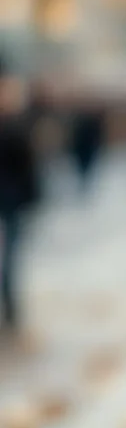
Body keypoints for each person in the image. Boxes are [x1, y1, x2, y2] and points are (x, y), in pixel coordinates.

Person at [0, 58, 38, 335]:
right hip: (12, 198)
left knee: (11, 260)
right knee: (10, 259)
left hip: (12, 199)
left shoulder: (17, 122)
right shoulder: (16, 122)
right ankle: (10, 309)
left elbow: (28, 166)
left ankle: (11, 309)